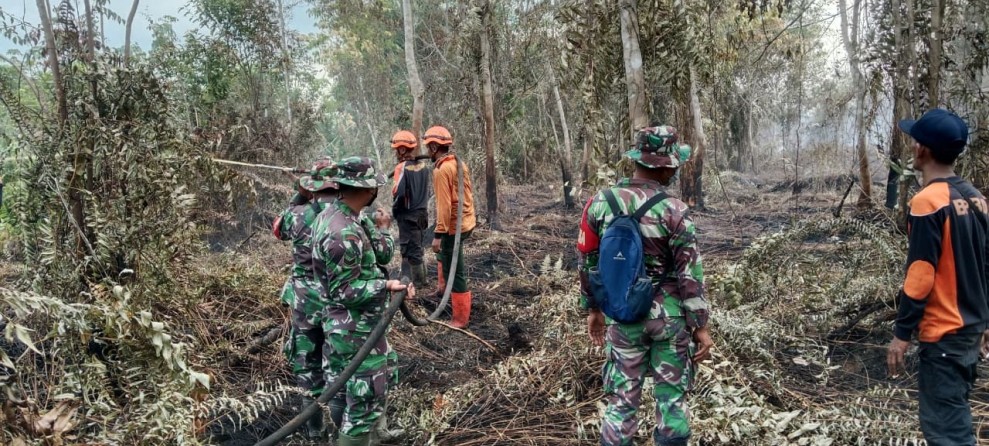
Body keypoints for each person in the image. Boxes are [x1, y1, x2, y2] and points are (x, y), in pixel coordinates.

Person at [577, 125, 713, 446]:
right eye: (674, 165)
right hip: (670, 320)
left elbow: (587, 262)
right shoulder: (675, 210)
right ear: (665, 167)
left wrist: (593, 309)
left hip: (623, 316)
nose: (674, 171)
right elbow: (690, 274)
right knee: (672, 401)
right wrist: (700, 326)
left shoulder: (600, 203)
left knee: (622, 402)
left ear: (639, 159)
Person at [887, 108, 988, 446]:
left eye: (915, 140)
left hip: (944, 335)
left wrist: (902, 334)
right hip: (971, 332)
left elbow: (920, 275)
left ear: (922, 150)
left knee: (947, 434)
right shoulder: (976, 198)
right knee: (955, 416)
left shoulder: (927, 202)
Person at [311, 156, 413, 446]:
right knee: (364, 400)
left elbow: (381, 254)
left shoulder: (350, 217)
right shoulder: (341, 232)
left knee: (367, 385)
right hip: (353, 330)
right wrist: (386, 285)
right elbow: (344, 291)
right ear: (368, 190)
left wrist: (381, 228)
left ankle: (374, 436)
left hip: (358, 326)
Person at [272, 159, 335, 440]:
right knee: (340, 363)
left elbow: (278, 229)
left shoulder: (297, 215)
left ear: (312, 187)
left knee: (308, 365)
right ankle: (342, 428)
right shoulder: (349, 215)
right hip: (338, 303)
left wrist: (299, 194)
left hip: (305, 303)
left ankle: (314, 430)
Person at [424, 125, 477, 329]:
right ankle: (442, 289)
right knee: (444, 257)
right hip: (467, 221)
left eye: (428, 147)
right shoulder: (458, 163)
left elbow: (444, 207)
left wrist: (438, 235)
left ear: (435, 147)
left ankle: (460, 319)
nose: (427, 151)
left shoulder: (441, 170)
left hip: (454, 228)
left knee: (455, 270)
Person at [389, 130, 432, 290]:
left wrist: (395, 210)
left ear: (402, 149)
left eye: (396, 150)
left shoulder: (401, 167)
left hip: (407, 216)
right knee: (418, 248)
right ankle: (421, 281)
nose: (396, 153)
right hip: (422, 214)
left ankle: (417, 285)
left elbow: (399, 193)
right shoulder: (424, 167)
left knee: (409, 251)